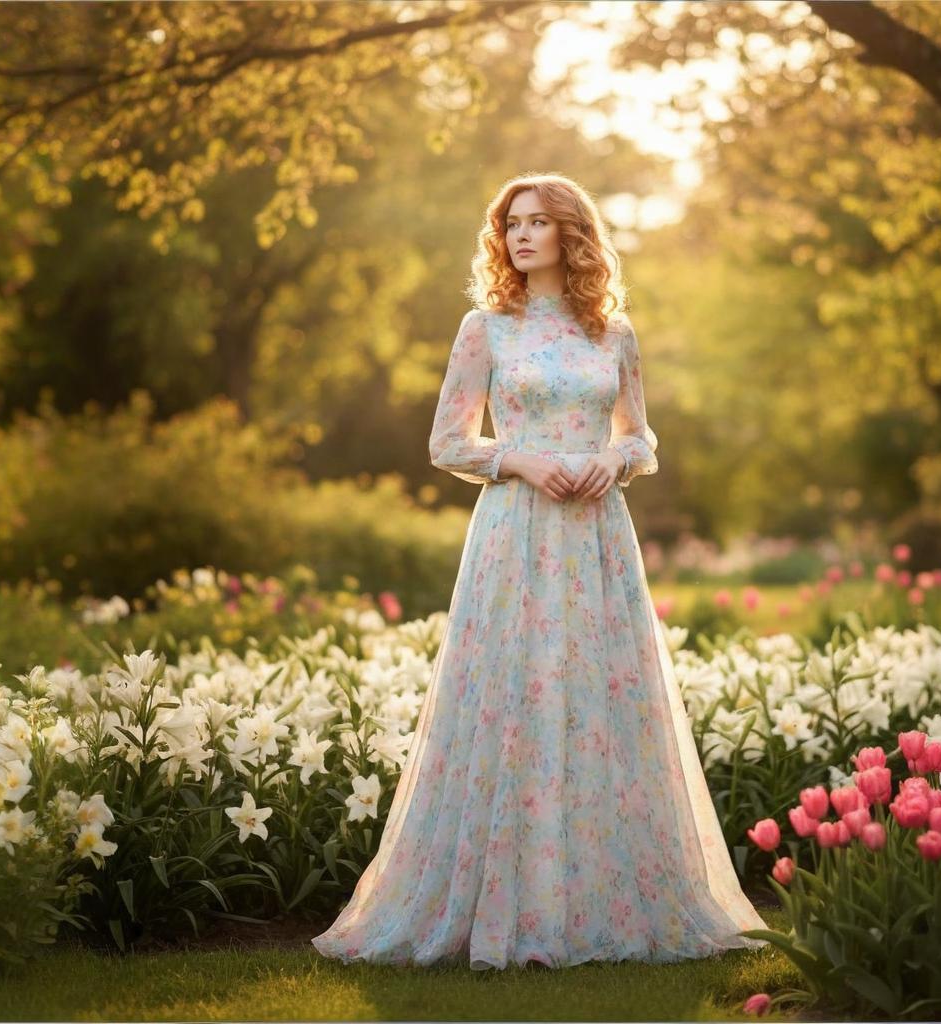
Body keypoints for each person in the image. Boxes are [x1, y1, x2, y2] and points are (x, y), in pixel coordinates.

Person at [310, 172, 766, 970]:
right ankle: (503, 902)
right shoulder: (485, 328)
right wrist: (519, 460)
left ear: (570, 234)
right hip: (514, 535)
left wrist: (612, 461)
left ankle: (603, 904)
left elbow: (641, 436)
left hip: (596, 538)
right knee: (515, 695)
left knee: (596, 699)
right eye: (511, 224)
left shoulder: (612, 333)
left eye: (537, 222)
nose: (520, 235)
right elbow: (447, 443)